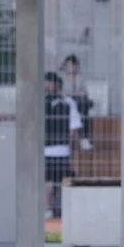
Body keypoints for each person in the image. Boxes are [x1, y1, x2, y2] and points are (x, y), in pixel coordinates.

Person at [44, 72, 81, 219]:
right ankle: (54, 209)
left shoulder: (65, 103)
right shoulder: (68, 102)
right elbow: (74, 127)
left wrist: (72, 144)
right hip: (54, 149)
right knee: (55, 181)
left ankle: (51, 209)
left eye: (47, 83)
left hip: (54, 148)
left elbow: (73, 128)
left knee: (51, 181)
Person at [60, 54, 93, 151]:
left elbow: (84, 92)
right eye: (69, 65)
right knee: (80, 109)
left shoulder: (79, 78)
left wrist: (75, 94)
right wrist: (75, 94)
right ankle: (83, 139)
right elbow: (61, 92)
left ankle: (84, 139)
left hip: (78, 101)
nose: (72, 68)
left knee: (83, 108)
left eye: (74, 66)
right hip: (65, 102)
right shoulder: (61, 77)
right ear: (65, 65)